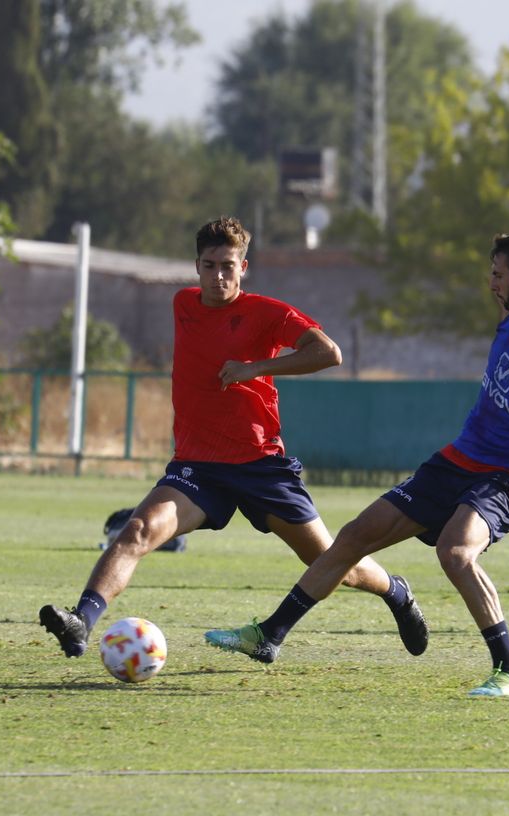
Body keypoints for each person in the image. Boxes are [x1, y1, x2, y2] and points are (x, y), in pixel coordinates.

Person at [204, 230, 509, 696]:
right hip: (458, 459)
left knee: (455, 552)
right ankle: (268, 635)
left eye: (498, 275)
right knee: (356, 533)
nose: (491, 283)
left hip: (507, 475)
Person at [39, 217, 427, 660]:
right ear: (197, 266)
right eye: (209, 265)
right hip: (198, 467)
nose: (218, 276)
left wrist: (254, 368)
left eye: (228, 266)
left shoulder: (266, 312)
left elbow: (328, 352)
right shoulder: (182, 302)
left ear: (244, 267)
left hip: (260, 465)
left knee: (331, 563)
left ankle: (396, 591)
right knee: (137, 531)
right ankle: (80, 621)